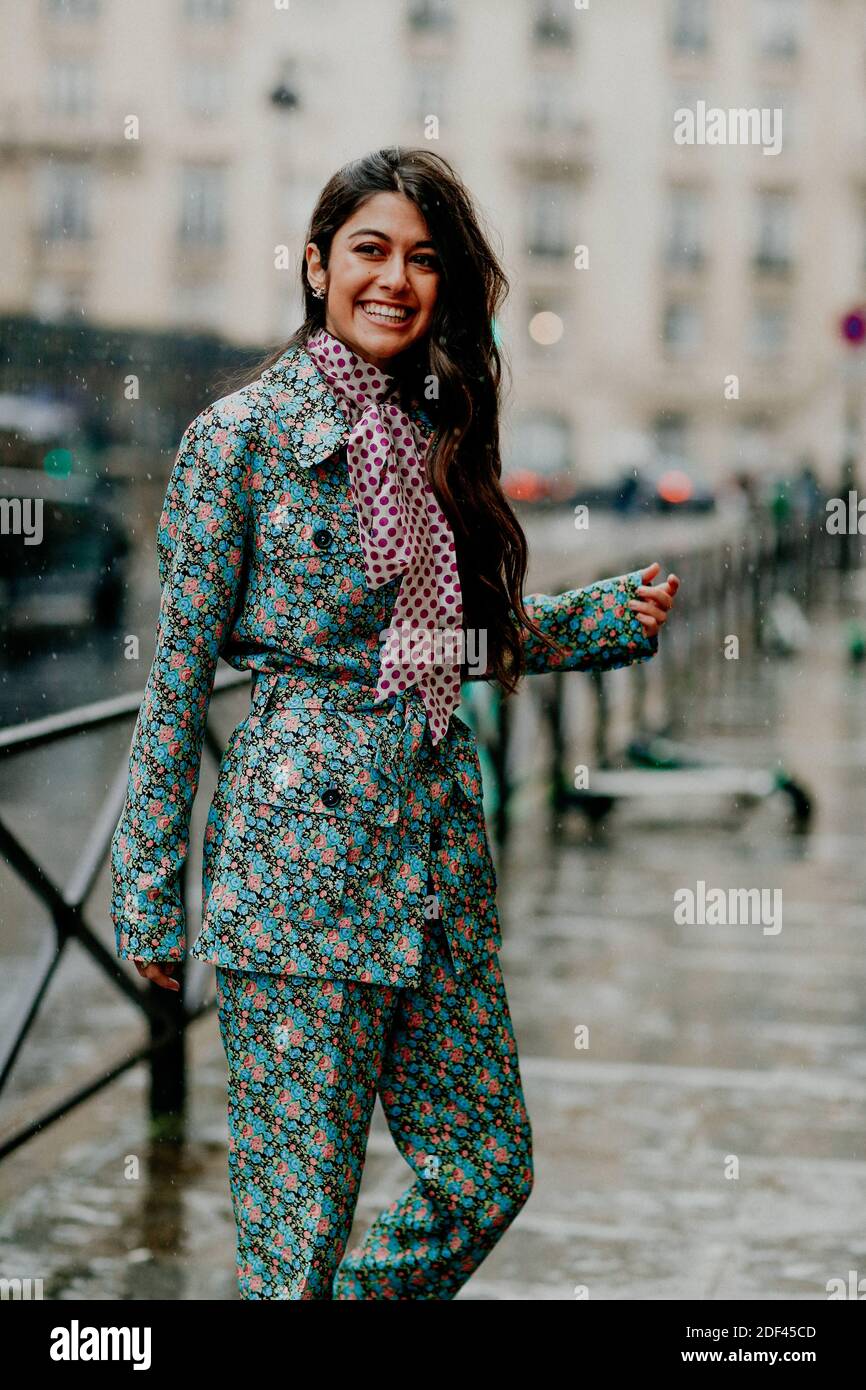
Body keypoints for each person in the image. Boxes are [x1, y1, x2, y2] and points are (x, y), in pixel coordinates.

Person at [110, 147, 680, 1300]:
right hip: (297, 879)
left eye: (423, 260)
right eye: (369, 250)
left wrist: (597, 621)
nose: (395, 279)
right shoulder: (239, 440)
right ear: (316, 264)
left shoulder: (438, 426)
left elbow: (446, 643)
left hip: (435, 865)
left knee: (484, 1171)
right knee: (295, 1242)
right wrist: (146, 888)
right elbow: (174, 686)